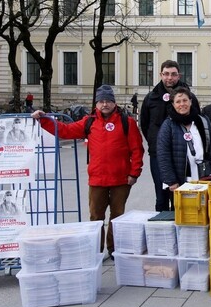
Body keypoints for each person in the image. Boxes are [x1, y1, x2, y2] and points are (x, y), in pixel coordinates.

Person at [32, 85, 144, 257]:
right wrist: (45, 120)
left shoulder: (126, 122)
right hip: (97, 179)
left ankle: (113, 248)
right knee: (95, 216)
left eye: (108, 101)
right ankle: (96, 249)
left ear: (114, 103)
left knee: (117, 216)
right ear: (96, 104)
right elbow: (66, 130)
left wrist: (134, 173)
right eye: (101, 101)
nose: (105, 104)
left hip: (121, 179)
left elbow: (137, 149)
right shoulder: (89, 122)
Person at [141, 60, 201, 211]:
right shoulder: (151, 98)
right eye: (166, 74)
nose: (170, 78)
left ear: (179, 75)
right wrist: (156, 144)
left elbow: (197, 122)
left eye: (173, 74)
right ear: (161, 75)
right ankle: (162, 231)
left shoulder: (190, 97)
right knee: (161, 197)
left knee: (182, 197)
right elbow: (145, 124)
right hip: (158, 155)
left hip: (185, 154)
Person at [157, 88, 211, 191]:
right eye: (178, 101)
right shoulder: (168, 125)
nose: (182, 104)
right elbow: (163, 154)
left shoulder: (203, 121)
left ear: (190, 101)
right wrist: (171, 180)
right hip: (180, 179)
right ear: (173, 104)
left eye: (185, 100)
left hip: (204, 177)